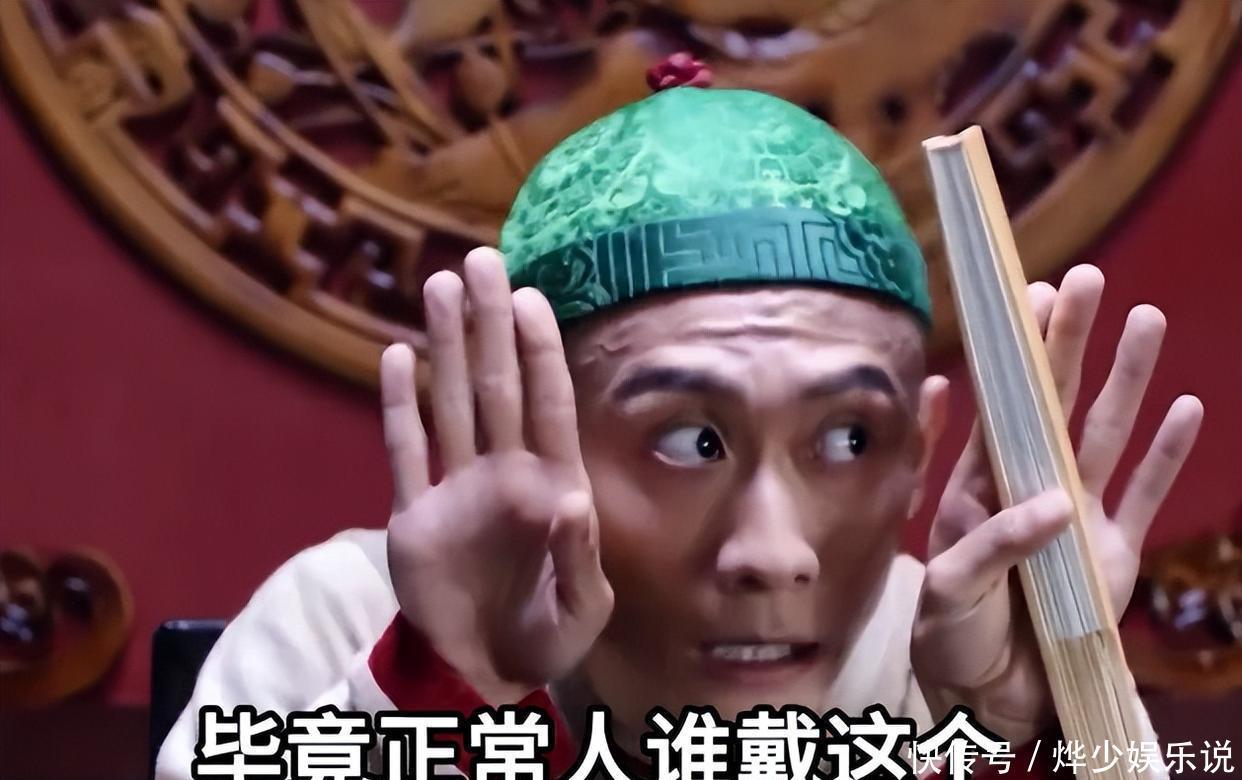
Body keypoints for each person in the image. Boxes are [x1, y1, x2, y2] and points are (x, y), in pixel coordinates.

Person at [155, 61, 1203, 780]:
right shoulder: (349, 621)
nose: (773, 554)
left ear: (919, 453)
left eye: (846, 440)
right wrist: (445, 688)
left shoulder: (948, 648)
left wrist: (1027, 728)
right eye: (690, 442)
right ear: (523, 435)